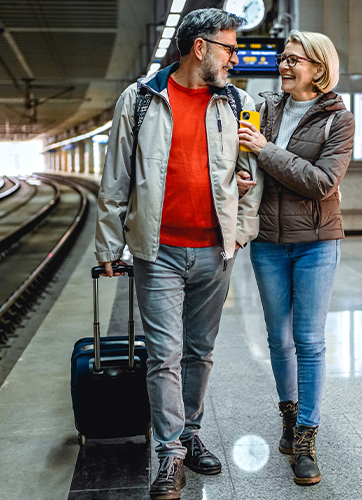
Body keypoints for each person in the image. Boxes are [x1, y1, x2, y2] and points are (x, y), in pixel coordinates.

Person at [95, 8, 262, 500]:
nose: (235, 57)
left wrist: (242, 232)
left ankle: (190, 432)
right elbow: (115, 179)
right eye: (229, 48)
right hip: (158, 251)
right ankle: (170, 454)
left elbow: (251, 175)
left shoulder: (237, 103)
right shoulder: (141, 100)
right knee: (163, 355)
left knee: (200, 351)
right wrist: (109, 245)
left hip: (215, 250)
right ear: (200, 47)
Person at [236, 30, 354, 486]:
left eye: (294, 60)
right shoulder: (266, 109)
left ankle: (306, 435)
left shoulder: (338, 120)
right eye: (283, 59)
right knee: (277, 338)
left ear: (319, 68)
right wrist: (244, 174)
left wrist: (265, 152)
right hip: (267, 240)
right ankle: (288, 416)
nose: (283, 66)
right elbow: (245, 164)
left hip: (316, 241)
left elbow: (324, 183)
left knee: (308, 338)